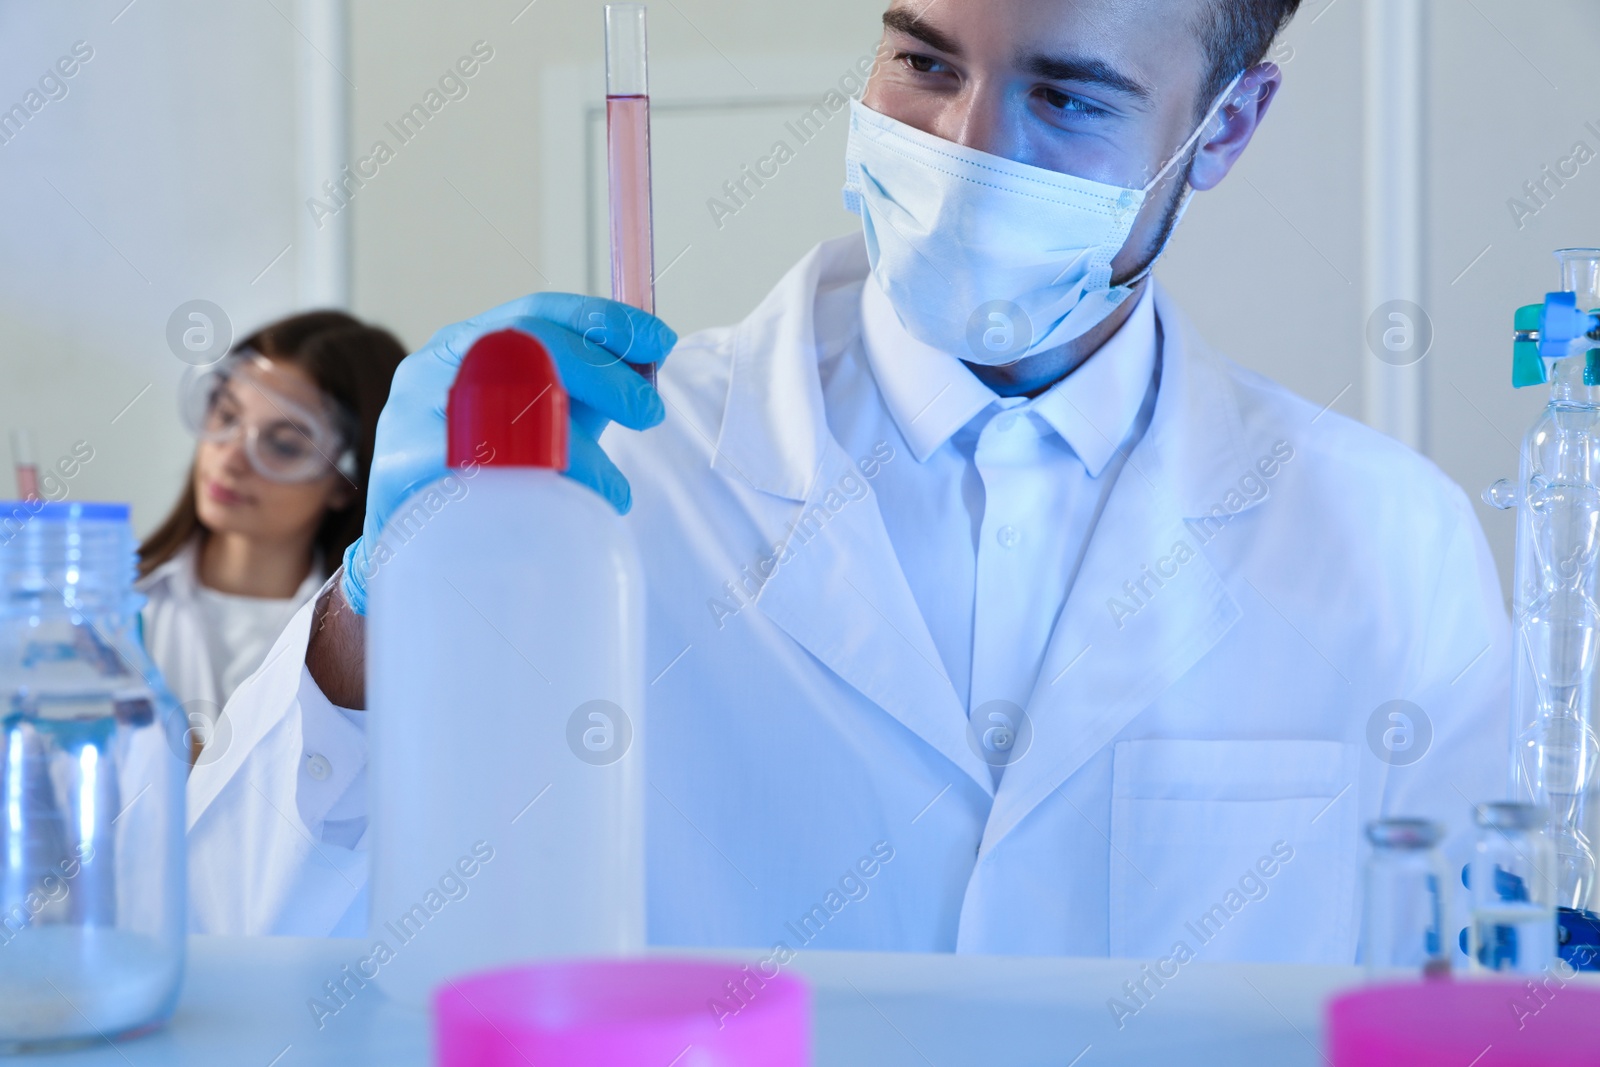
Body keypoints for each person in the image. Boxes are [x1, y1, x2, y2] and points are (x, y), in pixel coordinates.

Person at [189, 0, 1512, 964]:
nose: (964, 148)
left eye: (1068, 96)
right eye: (924, 61)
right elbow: (249, 932)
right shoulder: (608, 479)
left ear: (1222, 128)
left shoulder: (1387, 543)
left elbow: (1473, 999)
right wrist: (385, 616)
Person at [138, 312, 405, 763]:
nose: (231, 458)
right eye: (226, 415)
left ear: (344, 481)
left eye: (282, 444)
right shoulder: (112, 614)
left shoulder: (378, 652)